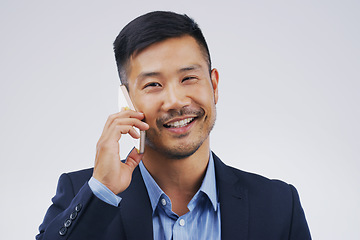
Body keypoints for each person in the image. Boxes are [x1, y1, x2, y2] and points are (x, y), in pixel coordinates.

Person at [36, 11, 311, 240]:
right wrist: (102, 190)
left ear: (214, 86)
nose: (175, 101)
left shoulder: (278, 205)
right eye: (153, 84)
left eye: (189, 78)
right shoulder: (83, 193)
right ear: (127, 101)